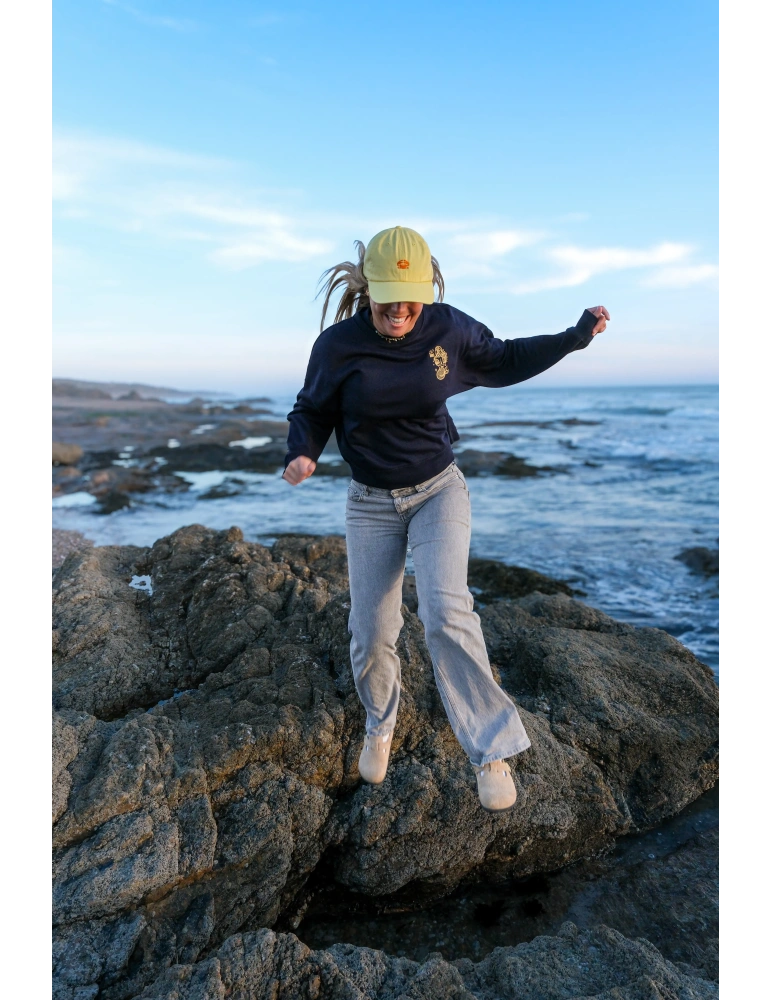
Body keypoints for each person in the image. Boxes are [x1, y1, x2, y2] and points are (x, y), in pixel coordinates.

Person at [283, 226, 609, 812]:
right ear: (369, 288)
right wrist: (302, 450)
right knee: (372, 629)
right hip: (371, 503)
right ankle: (380, 725)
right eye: (389, 296)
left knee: (444, 610)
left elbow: (506, 358)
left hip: (439, 491)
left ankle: (491, 753)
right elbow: (311, 409)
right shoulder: (337, 346)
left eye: (412, 295)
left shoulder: (448, 328)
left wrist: (574, 338)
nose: (401, 309)